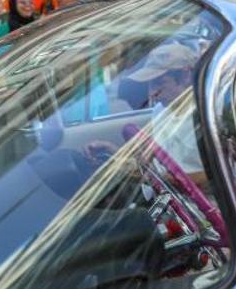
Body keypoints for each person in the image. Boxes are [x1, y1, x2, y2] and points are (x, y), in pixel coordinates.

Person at [85, 44, 206, 186]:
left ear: (186, 76)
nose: (151, 94)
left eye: (160, 83)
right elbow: (155, 165)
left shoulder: (205, 116)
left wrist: (169, 181)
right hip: (160, 193)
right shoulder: (160, 111)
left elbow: (217, 176)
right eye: (150, 84)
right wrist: (116, 157)